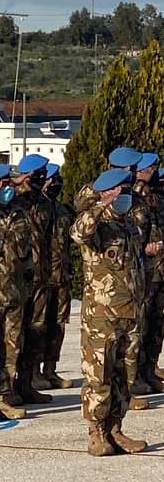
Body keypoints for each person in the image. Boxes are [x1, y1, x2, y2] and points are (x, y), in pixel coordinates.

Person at [72, 167, 149, 457]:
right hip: (102, 315)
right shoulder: (95, 223)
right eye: (119, 191)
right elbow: (78, 233)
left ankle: (116, 429)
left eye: (127, 190)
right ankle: (96, 433)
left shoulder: (129, 225)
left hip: (130, 312)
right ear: (106, 192)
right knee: (99, 375)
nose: (124, 196)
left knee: (125, 375)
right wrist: (101, 204)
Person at [8, 154, 54, 406]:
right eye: (37, 174)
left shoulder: (44, 203)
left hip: (40, 278)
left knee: (35, 333)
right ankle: (7, 390)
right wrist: (16, 183)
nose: (42, 178)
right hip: (16, 279)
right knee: (12, 336)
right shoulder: (13, 201)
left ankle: (26, 384)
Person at [133, 152, 164, 394]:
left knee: (158, 325)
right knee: (140, 327)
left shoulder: (159, 201)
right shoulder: (133, 199)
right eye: (152, 170)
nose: (158, 175)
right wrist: (143, 250)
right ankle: (135, 378)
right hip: (145, 274)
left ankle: (149, 372)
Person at [36, 163, 75, 390]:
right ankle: (32, 374)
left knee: (58, 325)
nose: (56, 183)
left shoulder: (63, 210)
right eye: (52, 178)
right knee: (37, 326)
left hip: (61, 277)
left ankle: (50, 370)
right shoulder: (35, 209)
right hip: (40, 279)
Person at [0, 164, 29, 420]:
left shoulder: (18, 214)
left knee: (12, 345)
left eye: (8, 183)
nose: (5, 188)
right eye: (1, 184)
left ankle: (5, 396)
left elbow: (26, 255)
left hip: (14, 293)